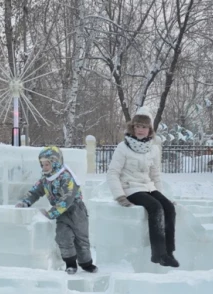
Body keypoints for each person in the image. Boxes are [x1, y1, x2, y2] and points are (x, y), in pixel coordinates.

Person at [106, 107, 179, 268]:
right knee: (155, 207)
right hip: (131, 188)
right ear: (132, 128)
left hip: (148, 187)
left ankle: (169, 251)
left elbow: (155, 175)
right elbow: (112, 173)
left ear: (149, 130)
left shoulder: (153, 149)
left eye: (144, 127)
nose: (140, 130)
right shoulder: (123, 147)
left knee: (168, 208)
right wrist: (120, 196)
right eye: (137, 126)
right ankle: (159, 254)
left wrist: (162, 195)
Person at [16, 146, 97, 275]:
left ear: (55, 163)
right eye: (42, 164)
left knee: (81, 239)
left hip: (76, 211)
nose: (44, 167)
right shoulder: (45, 180)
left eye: (47, 164)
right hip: (61, 214)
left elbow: (68, 198)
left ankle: (86, 263)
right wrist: (26, 202)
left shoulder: (66, 177)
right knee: (63, 237)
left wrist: (51, 213)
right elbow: (35, 191)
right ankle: (70, 263)